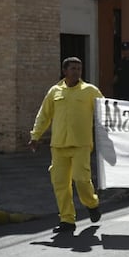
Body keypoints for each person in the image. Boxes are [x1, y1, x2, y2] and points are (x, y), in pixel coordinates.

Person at [29, 57, 103, 233]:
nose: (77, 71)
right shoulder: (54, 91)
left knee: (81, 179)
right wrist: (35, 135)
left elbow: (105, 111)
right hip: (59, 145)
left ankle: (92, 204)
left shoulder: (90, 90)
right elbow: (44, 115)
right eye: (73, 68)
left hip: (81, 144)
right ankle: (67, 220)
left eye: (79, 68)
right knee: (60, 184)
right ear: (65, 71)